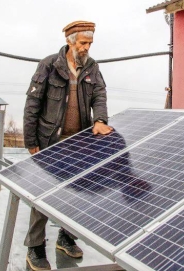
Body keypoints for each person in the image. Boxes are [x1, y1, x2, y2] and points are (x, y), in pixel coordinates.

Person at [22, 20, 114, 270]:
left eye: (90, 43)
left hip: (79, 142)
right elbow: (32, 103)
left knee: (75, 193)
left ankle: (66, 237)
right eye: (83, 43)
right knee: (42, 197)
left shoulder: (92, 67)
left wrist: (100, 120)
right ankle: (35, 247)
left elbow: (99, 94)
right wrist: (31, 142)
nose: (87, 48)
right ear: (69, 41)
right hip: (50, 141)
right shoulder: (49, 64)